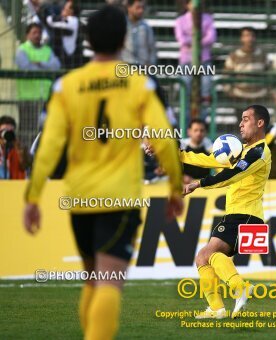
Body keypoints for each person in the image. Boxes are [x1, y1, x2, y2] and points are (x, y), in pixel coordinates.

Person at [22, 6, 184, 339]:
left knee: (93, 280)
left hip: (79, 199)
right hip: (120, 197)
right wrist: (175, 186)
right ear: (124, 39)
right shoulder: (142, 83)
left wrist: (33, 195)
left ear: (88, 40)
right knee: (109, 283)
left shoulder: (65, 84)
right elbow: (165, 138)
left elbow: (48, 147)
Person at [181, 105, 271, 319]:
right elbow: (210, 159)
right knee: (204, 258)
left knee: (209, 254)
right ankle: (216, 309)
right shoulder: (243, 151)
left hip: (246, 216)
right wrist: (180, 154)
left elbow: (231, 176)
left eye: (246, 119)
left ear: (260, 123)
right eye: (240, 119)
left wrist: (199, 183)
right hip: (237, 215)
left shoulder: (259, 152)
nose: (240, 124)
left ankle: (240, 287)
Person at [15, 22, 61, 147]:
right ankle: (24, 160)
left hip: (45, 98)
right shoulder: (22, 50)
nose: (37, 35)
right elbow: (26, 66)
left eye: (39, 32)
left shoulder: (47, 50)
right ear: (27, 35)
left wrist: (38, 63)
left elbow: (56, 66)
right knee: (27, 132)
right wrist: (45, 65)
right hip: (27, 98)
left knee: (42, 131)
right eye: (34, 32)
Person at [175, 0, 216, 113]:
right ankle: (185, 117)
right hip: (186, 60)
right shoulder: (180, 20)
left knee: (206, 85)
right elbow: (181, 39)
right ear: (187, 4)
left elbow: (211, 37)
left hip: (204, 59)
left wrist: (194, 41)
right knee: (185, 85)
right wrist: (198, 40)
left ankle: (202, 115)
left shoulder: (208, 18)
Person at [224, 27, 269, 100]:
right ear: (241, 38)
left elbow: (270, 74)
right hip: (240, 96)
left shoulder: (263, 55)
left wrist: (267, 91)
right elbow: (226, 76)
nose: (250, 38)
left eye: (252, 36)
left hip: (259, 95)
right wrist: (230, 92)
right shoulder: (234, 56)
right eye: (247, 36)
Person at [45, 0, 83, 69]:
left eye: (65, 9)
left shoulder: (72, 20)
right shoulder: (67, 20)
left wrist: (59, 17)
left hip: (70, 60)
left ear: (72, 11)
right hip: (65, 58)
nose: (63, 10)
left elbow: (49, 21)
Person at [121, 0, 157, 66]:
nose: (141, 11)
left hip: (142, 67)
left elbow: (152, 48)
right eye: (137, 8)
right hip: (125, 66)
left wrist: (150, 63)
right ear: (129, 7)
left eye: (142, 8)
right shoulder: (121, 25)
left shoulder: (146, 27)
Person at [180, 118, 213, 184]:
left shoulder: (211, 147)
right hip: (184, 185)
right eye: (195, 130)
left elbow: (221, 168)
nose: (199, 133)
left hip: (204, 187)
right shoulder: (181, 146)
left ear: (205, 132)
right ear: (189, 132)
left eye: (201, 130)